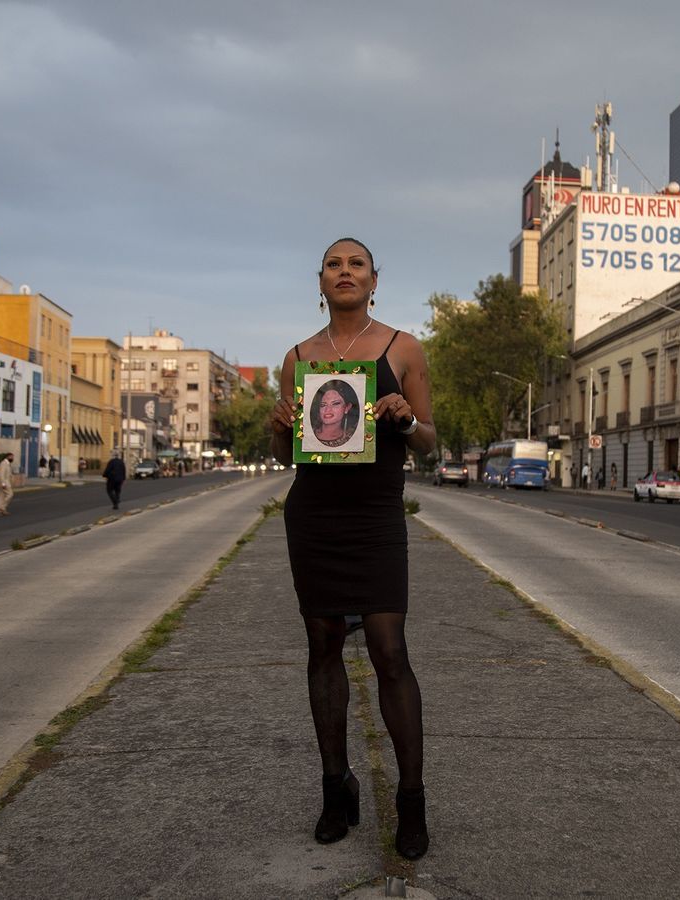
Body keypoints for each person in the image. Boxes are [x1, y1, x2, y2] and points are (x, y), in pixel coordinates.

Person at [269, 237, 434, 861]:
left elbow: (430, 441)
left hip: (374, 517)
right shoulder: (298, 357)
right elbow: (293, 452)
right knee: (324, 645)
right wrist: (278, 426)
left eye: (356, 264)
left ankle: (412, 798)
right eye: (334, 264)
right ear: (321, 280)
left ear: (373, 279)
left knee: (391, 651)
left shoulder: (403, 348)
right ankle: (335, 788)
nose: (345, 272)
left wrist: (402, 417)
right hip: (315, 516)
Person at [309, 379, 360, 447]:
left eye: (335, 404)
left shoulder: (354, 438)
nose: (328, 409)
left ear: (347, 408)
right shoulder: (307, 434)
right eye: (323, 405)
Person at [0, 452, 14, 516]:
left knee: (2, 496)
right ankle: (2, 507)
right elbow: (1, 474)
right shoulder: (3, 464)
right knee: (10, 494)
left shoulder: (8, 464)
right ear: (7, 457)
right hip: (4, 483)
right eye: (11, 457)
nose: (12, 458)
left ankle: (1, 511)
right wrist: (3, 483)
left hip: (5, 482)